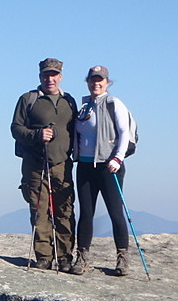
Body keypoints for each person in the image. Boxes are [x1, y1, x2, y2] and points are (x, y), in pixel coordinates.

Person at [11, 58, 78, 271]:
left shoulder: (69, 101)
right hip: (34, 163)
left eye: (54, 75)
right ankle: (44, 256)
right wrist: (37, 135)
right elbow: (15, 129)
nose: (50, 79)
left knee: (64, 210)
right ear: (40, 76)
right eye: (46, 75)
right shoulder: (28, 99)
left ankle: (65, 256)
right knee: (39, 210)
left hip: (62, 163)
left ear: (60, 76)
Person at [69, 65, 131, 276]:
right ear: (87, 81)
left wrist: (117, 158)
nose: (96, 83)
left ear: (107, 82)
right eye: (93, 80)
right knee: (86, 213)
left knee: (115, 213)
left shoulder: (114, 104)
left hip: (109, 166)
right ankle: (82, 257)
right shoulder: (84, 106)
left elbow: (124, 133)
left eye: (100, 80)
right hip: (85, 166)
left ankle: (122, 258)